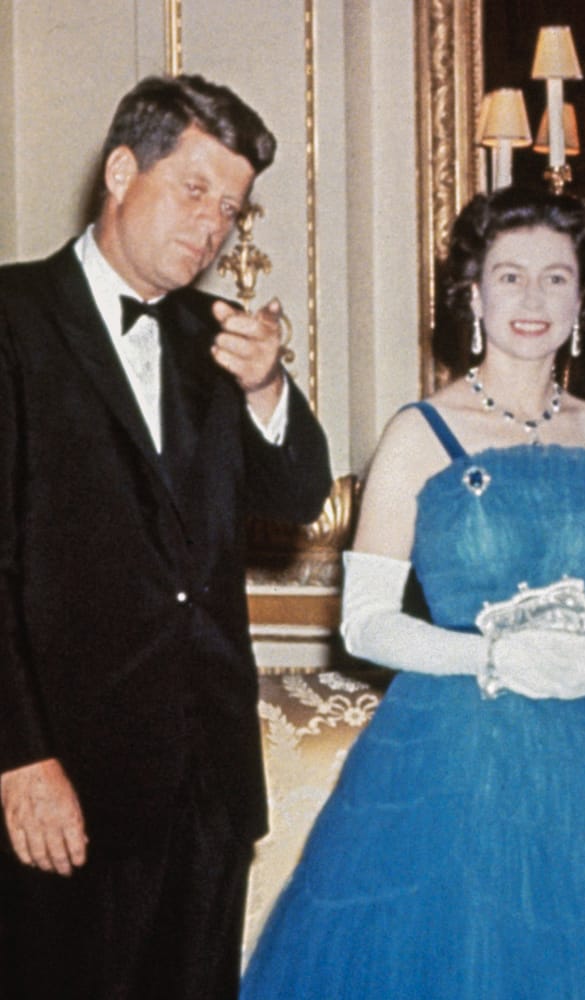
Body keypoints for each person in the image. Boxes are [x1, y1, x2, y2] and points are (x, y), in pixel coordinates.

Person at [240, 186, 585, 998]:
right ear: (473, 293)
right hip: (456, 749)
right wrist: (495, 652)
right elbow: (364, 623)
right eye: (510, 277)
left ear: (581, 296)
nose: (533, 300)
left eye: (556, 279)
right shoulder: (420, 433)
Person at [0, 75, 332, 998]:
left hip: (205, 786)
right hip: (61, 780)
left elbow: (299, 493)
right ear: (119, 170)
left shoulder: (218, 337)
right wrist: (18, 757)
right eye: (194, 191)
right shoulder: (13, 318)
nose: (214, 226)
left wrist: (269, 391)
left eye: (231, 207)